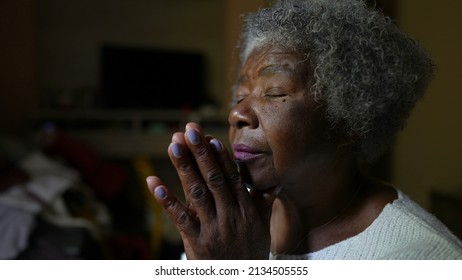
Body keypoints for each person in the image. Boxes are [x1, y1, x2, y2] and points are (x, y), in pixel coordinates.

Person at [146, 0, 462, 259]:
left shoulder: (422, 255)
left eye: (274, 92)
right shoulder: (227, 226)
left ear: (348, 115)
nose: (237, 114)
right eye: (241, 96)